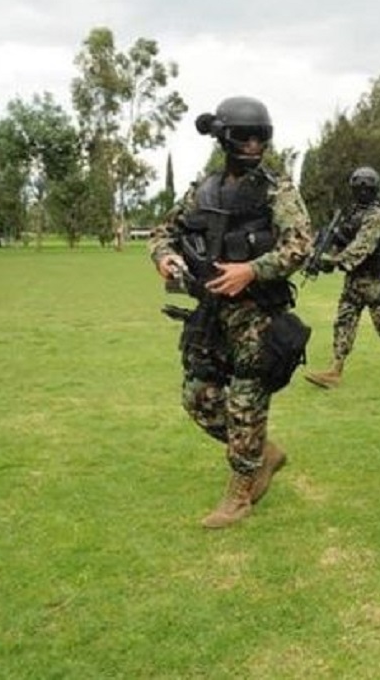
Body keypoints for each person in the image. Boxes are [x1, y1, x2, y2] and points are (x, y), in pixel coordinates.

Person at [149, 96, 312, 528]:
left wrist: (252, 271)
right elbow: (165, 231)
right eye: (244, 136)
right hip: (212, 314)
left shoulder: (278, 191)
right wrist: (164, 257)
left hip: (258, 315)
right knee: (198, 397)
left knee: (244, 402)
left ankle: (239, 496)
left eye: (262, 136)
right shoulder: (203, 190)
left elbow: (299, 246)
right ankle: (262, 454)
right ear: (224, 137)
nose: (254, 144)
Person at [304, 166, 380, 388]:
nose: (362, 192)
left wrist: (332, 261)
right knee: (344, 322)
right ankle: (335, 370)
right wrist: (322, 256)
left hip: (376, 281)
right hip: (354, 281)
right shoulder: (353, 214)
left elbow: (361, 248)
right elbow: (342, 242)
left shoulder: (377, 217)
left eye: (366, 189)